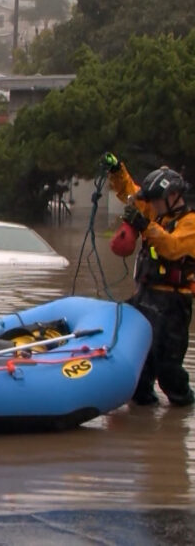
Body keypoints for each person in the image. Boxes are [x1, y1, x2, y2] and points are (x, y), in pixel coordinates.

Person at [106, 153, 195, 406]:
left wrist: (146, 227)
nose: (152, 205)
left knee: (168, 370)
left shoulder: (190, 223)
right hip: (145, 296)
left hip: (173, 303)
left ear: (172, 197)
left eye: (156, 200)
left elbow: (173, 247)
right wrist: (116, 170)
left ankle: (184, 407)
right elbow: (131, 193)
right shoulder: (155, 213)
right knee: (140, 368)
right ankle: (143, 418)